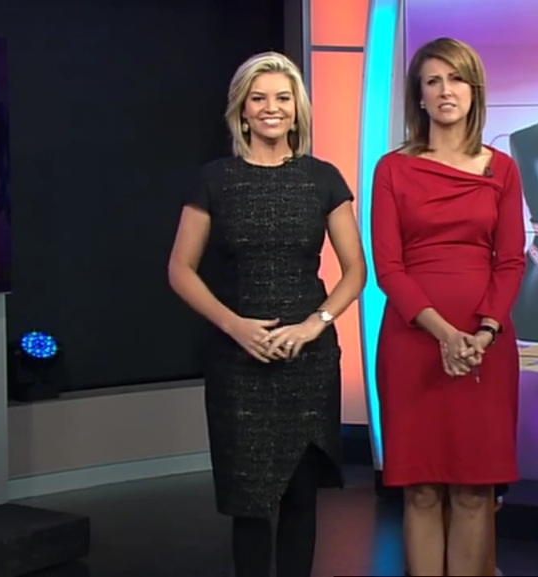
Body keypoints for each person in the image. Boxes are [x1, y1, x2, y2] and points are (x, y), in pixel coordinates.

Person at [167, 51, 366, 577]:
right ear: (242, 110)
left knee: (302, 498)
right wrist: (235, 326)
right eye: (258, 99)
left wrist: (314, 325)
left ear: (297, 109)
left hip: (308, 360)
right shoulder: (214, 180)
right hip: (238, 363)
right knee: (250, 503)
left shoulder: (323, 179)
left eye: (282, 98)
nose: (271, 108)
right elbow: (181, 270)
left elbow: (355, 271)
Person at [370, 37, 525, 576]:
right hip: (413, 343)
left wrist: (482, 334)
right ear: (418, 95)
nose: (445, 90)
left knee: (474, 490)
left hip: (485, 347)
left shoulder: (502, 169)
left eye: (456, 79)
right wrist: (444, 334)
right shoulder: (392, 169)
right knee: (420, 489)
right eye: (433, 81)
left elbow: (511, 261)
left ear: (474, 90)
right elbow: (389, 267)